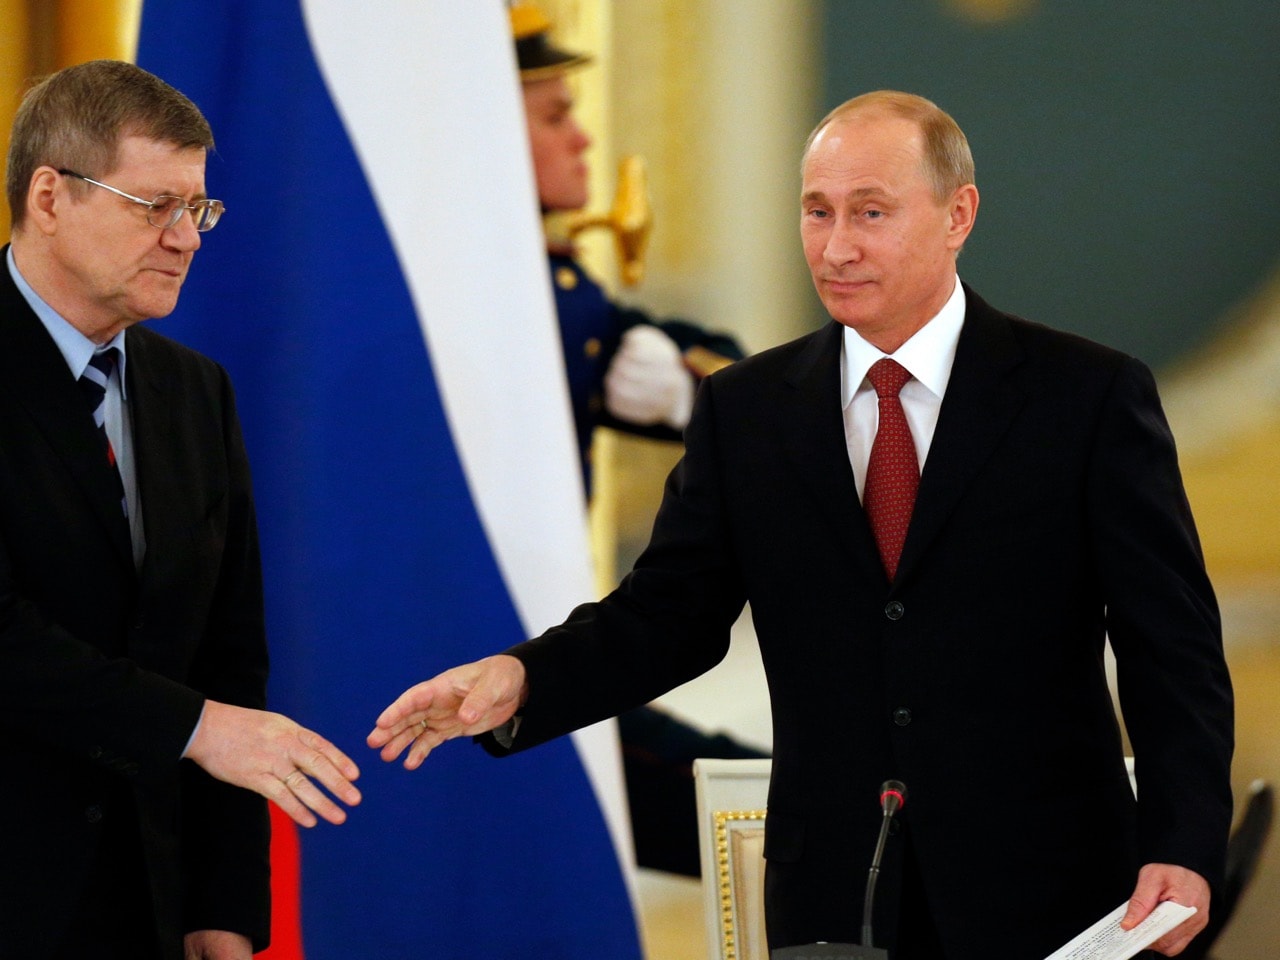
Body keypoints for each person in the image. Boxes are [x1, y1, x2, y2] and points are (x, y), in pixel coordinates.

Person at [370, 90, 1235, 959]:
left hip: (1055, 892)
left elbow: (1174, 648)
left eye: (871, 213)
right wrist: (521, 679)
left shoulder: (1083, 396)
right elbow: (667, 616)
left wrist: (1184, 847)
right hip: (835, 898)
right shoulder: (747, 409)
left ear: (958, 214)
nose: (838, 246)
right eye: (817, 212)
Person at [0, 60, 361, 960]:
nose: (186, 237)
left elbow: (229, 659)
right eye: (152, 205)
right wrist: (195, 730)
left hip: (153, 911)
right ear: (50, 196)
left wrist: (225, 908)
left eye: (196, 209)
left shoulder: (194, 393)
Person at [513, 1, 763, 878]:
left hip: (556, 663)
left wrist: (693, 386)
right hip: (493, 668)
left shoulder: (557, 286)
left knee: (765, 802)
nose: (584, 138)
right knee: (763, 815)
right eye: (553, 115)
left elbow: (751, 388)